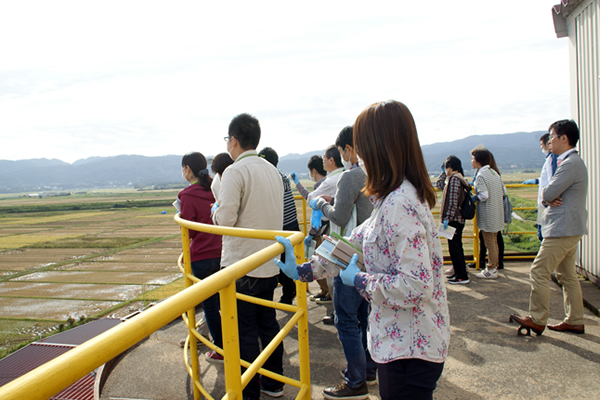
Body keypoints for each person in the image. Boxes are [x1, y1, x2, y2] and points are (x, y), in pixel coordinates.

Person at [275, 100, 449, 400]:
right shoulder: (390, 198)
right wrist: (304, 270)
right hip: (403, 343)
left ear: (381, 148)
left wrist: (359, 281)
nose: (358, 156)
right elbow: (352, 245)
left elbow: (415, 285)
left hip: (409, 349)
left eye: (362, 146)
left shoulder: (399, 204)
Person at [212, 113, 285, 399]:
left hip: (242, 265)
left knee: (244, 332)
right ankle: (274, 383)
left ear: (234, 140)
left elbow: (226, 219)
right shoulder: (271, 170)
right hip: (269, 263)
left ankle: (249, 393)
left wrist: (215, 213)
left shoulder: (234, 171)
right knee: (268, 324)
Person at [310, 125, 377, 394]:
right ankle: (367, 369)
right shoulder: (374, 172)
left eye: (341, 152)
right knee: (364, 317)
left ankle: (355, 380)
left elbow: (338, 217)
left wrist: (321, 205)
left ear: (348, 149)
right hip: (371, 256)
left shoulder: (351, 176)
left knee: (346, 320)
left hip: (350, 255)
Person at [510, 119, 588, 335]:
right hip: (571, 227)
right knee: (566, 275)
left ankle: (537, 318)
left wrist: (547, 196)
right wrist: (549, 195)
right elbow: (551, 193)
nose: (549, 140)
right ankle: (575, 319)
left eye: (552, 136)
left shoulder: (570, 163)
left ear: (564, 138)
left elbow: (547, 192)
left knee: (538, 270)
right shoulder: (571, 162)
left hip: (562, 228)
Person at [178, 152, 223, 362]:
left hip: (201, 256)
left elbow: (190, 231)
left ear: (187, 169)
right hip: (222, 252)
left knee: (210, 306)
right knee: (226, 302)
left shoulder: (187, 195)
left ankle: (221, 348)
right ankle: (231, 342)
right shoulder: (215, 188)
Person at [258, 146, 300, 305]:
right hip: (292, 226)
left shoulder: (270, 178)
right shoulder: (282, 175)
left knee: (282, 263)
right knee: (286, 261)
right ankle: (289, 293)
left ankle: (288, 296)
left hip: (281, 228)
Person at [290, 156, 331, 304]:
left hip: (320, 232)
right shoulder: (327, 182)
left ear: (313, 171)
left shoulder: (320, 186)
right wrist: (299, 184)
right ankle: (325, 291)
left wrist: (311, 234)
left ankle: (327, 293)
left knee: (319, 265)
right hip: (326, 230)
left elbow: (316, 213)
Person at [436, 155, 471, 284]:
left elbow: (452, 202)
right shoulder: (454, 178)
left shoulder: (455, 180)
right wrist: (443, 173)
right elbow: (440, 185)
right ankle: (458, 272)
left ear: (450, 167)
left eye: (446, 168)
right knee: (454, 247)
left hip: (453, 220)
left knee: (455, 248)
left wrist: (447, 219)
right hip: (455, 219)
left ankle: (461, 276)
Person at [470, 147, 505, 279]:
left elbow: (484, 195)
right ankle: (494, 267)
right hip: (497, 213)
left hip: (488, 214)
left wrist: (474, 197)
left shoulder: (481, 175)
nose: (472, 161)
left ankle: (491, 268)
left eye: (473, 159)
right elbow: (503, 190)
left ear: (478, 161)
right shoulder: (494, 173)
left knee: (489, 243)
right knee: (494, 242)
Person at [522, 133, 559, 242]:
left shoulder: (553, 159)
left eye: (542, 144)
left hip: (547, 203)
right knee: (542, 231)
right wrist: (536, 181)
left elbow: (553, 179)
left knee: (544, 234)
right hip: (544, 202)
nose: (542, 147)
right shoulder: (549, 159)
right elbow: (546, 179)